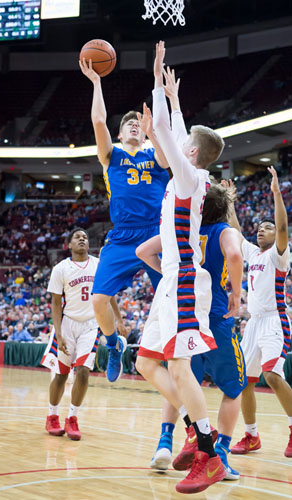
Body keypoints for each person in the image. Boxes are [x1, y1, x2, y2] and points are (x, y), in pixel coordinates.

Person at [136, 41, 226, 494]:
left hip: (186, 281)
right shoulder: (187, 173)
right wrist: (172, 99)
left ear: (191, 154)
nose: (175, 142)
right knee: (146, 362)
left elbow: (171, 139)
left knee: (179, 368)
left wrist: (155, 81)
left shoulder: (190, 177)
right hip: (171, 282)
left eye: (183, 144)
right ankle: (195, 428)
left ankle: (209, 454)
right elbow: (176, 133)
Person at [141, 183, 246, 480]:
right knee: (233, 389)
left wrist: (169, 274)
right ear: (224, 209)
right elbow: (236, 254)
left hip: (185, 314)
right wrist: (236, 293)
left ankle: (165, 441)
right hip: (216, 316)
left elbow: (144, 251)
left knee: (181, 378)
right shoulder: (226, 232)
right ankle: (220, 453)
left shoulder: (182, 231)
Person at [79, 57, 170, 384]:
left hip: (157, 236)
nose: (133, 124)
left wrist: (153, 131)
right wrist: (97, 82)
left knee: (171, 298)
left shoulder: (154, 156)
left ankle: (174, 357)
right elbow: (99, 120)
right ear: (119, 135)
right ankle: (113, 343)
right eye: (128, 123)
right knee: (99, 300)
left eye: (137, 123)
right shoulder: (112, 156)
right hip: (122, 237)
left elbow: (165, 155)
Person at [228, 167, 292, 458]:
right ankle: (252, 436)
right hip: (252, 324)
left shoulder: (279, 255)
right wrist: (229, 202)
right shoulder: (253, 253)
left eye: (266, 227)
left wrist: (276, 194)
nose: (262, 230)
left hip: (275, 321)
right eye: (260, 227)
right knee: (244, 381)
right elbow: (236, 232)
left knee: (272, 376)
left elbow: (281, 229)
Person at [41, 228, 124, 441]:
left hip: (90, 325)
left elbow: (109, 294)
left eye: (85, 237)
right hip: (67, 323)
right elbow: (56, 304)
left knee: (84, 371)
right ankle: (52, 416)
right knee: (61, 374)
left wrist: (118, 319)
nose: (82, 239)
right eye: (77, 237)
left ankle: (72, 418)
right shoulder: (61, 268)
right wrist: (58, 334)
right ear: (69, 245)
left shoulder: (98, 265)